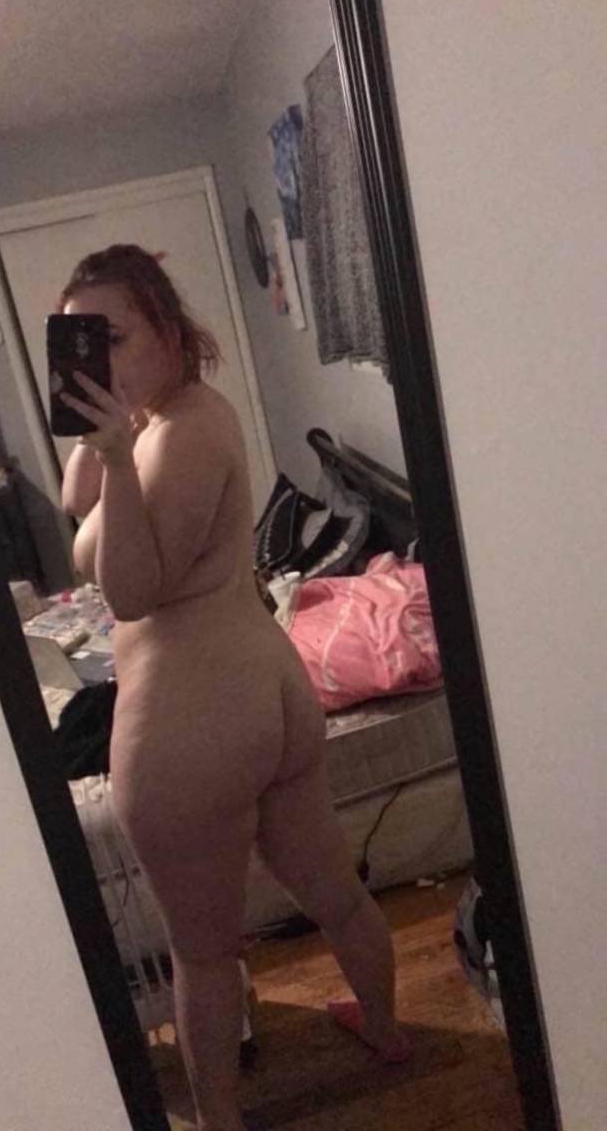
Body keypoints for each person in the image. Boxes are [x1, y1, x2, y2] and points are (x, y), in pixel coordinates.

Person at [58, 244, 410, 1131]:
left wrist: (118, 454)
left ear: (169, 331)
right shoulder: (160, 418)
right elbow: (74, 506)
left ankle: (220, 1119)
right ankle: (383, 1027)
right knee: (334, 889)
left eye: (113, 336)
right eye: (77, 339)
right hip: (261, 693)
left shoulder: (179, 434)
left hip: (192, 722)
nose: (99, 356)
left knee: (205, 953)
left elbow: (130, 590)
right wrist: (98, 431)